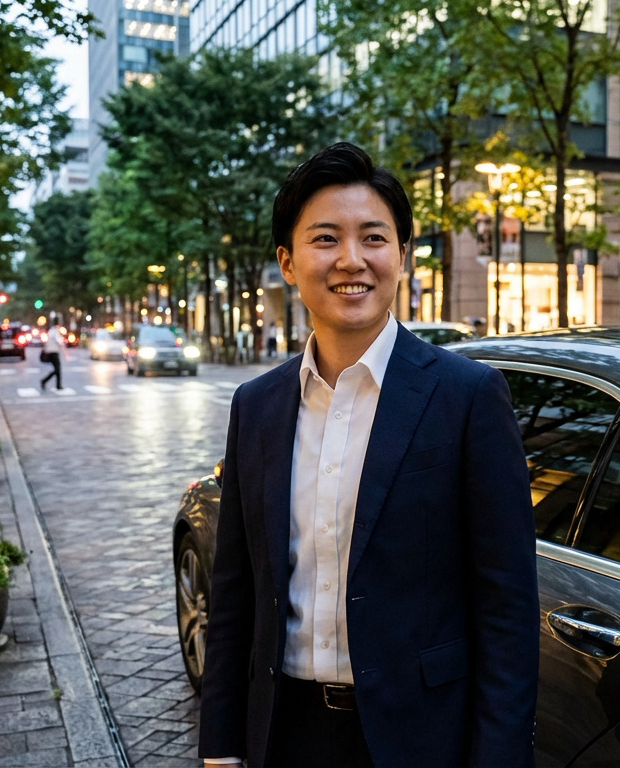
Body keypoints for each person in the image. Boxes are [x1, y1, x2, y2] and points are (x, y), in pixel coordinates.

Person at [199, 142, 538, 768]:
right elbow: (235, 595)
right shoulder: (257, 407)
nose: (351, 260)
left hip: (423, 736)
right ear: (288, 264)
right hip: (284, 733)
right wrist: (220, 748)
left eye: (374, 238)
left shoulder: (467, 398)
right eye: (325, 239)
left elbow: (507, 611)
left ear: (402, 257)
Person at [39, 324, 63, 391]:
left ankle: (57, 385)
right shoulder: (55, 332)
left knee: (57, 369)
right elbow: (59, 341)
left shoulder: (50, 332)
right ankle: (45, 381)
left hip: (50, 352)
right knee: (57, 369)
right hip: (54, 353)